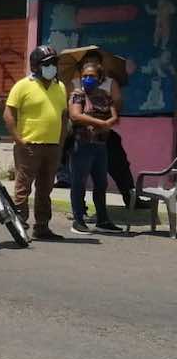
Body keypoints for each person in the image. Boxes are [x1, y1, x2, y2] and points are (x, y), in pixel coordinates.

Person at [4, 45, 68, 240]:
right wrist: (18, 139)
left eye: (54, 63)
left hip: (52, 147)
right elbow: (9, 113)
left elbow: (64, 116)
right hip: (29, 145)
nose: (52, 67)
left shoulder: (61, 87)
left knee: (45, 188)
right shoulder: (23, 85)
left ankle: (42, 227)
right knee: (23, 187)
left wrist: (61, 141)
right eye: (48, 64)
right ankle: (20, 224)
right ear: (36, 66)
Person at [67, 62, 123, 235]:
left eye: (91, 76)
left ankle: (103, 220)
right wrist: (102, 123)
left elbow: (115, 116)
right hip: (82, 145)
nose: (87, 79)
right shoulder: (78, 95)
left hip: (100, 146)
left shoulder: (105, 96)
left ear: (99, 78)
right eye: (84, 76)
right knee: (79, 182)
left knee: (101, 183)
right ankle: (78, 220)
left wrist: (108, 123)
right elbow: (75, 115)